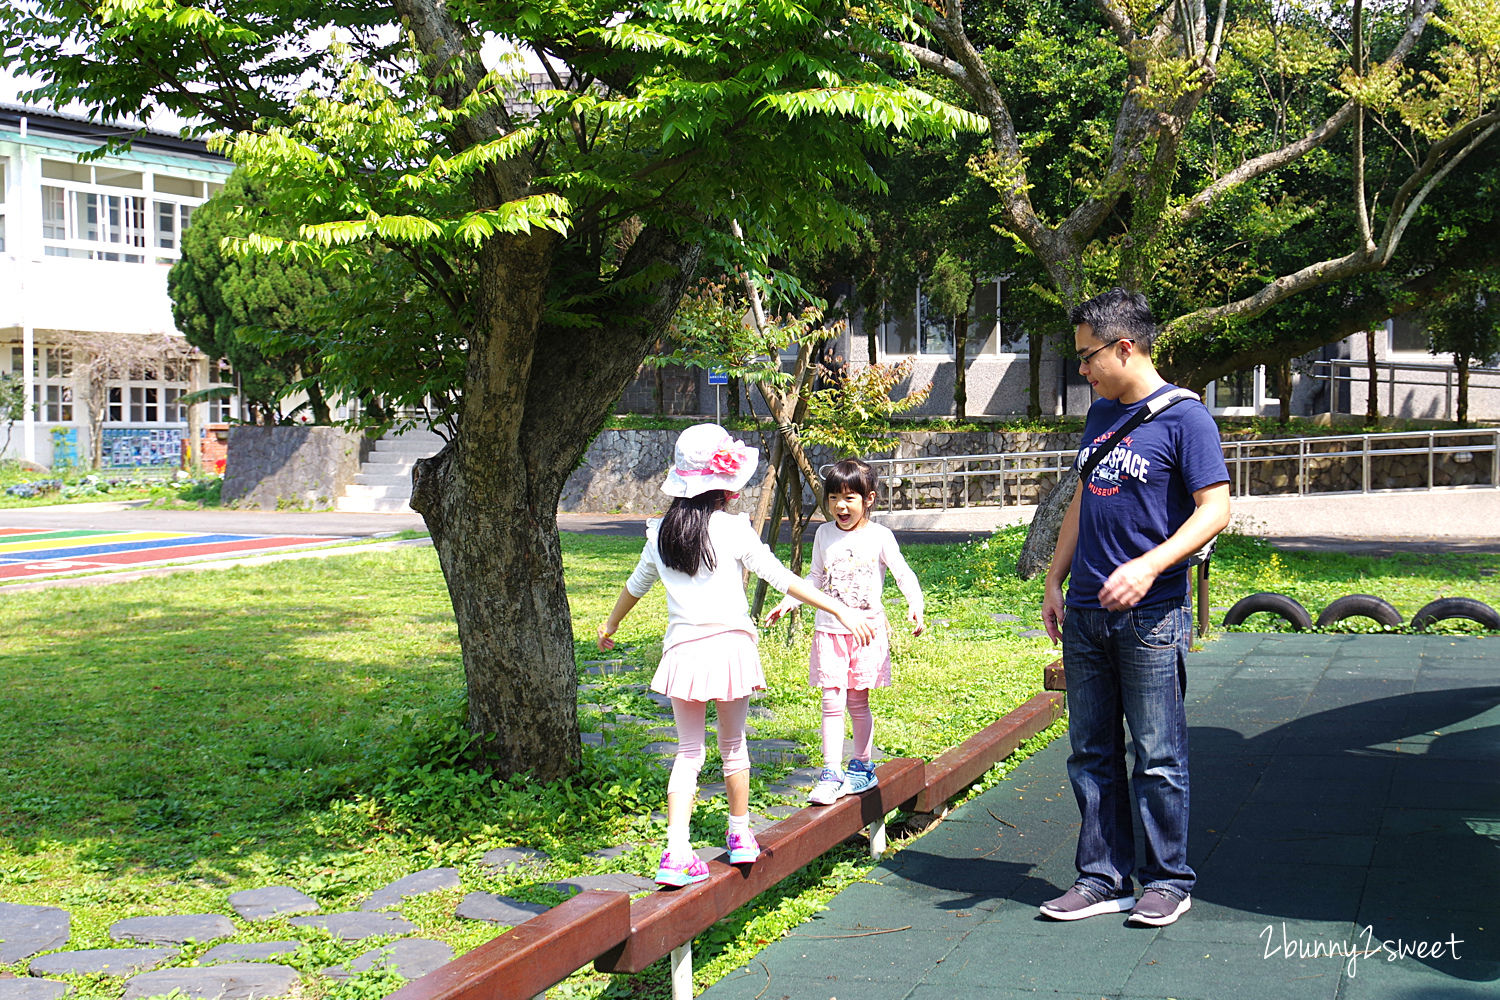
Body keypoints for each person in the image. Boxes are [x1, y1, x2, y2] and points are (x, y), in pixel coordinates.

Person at [597, 423, 876, 888]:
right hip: (729, 650)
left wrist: (610, 625)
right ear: (725, 486)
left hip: (683, 653)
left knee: (688, 752)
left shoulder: (659, 533)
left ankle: (676, 850)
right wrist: (841, 609)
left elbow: (634, 588)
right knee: (733, 747)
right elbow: (782, 578)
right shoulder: (733, 531)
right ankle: (741, 833)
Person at [1039, 288, 1230, 927]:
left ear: (1125, 347)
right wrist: (1054, 579)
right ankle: (1102, 877)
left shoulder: (1186, 419)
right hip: (1087, 614)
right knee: (1090, 751)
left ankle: (1167, 879)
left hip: (1153, 617)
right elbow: (1082, 502)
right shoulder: (1100, 415)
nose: (1083, 370)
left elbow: (1216, 509)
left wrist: (1150, 565)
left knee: (1156, 753)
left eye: (1088, 357)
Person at [766, 458, 924, 805]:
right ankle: (830, 771)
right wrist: (788, 601)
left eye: (850, 497)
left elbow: (903, 574)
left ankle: (863, 766)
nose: (840, 505)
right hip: (829, 632)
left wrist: (916, 605)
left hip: (866, 634)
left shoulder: (880, 536)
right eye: (834, 497)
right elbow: (815, 580)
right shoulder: (823, 534)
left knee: (857, 701)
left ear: (869, 499)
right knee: (830, 701)